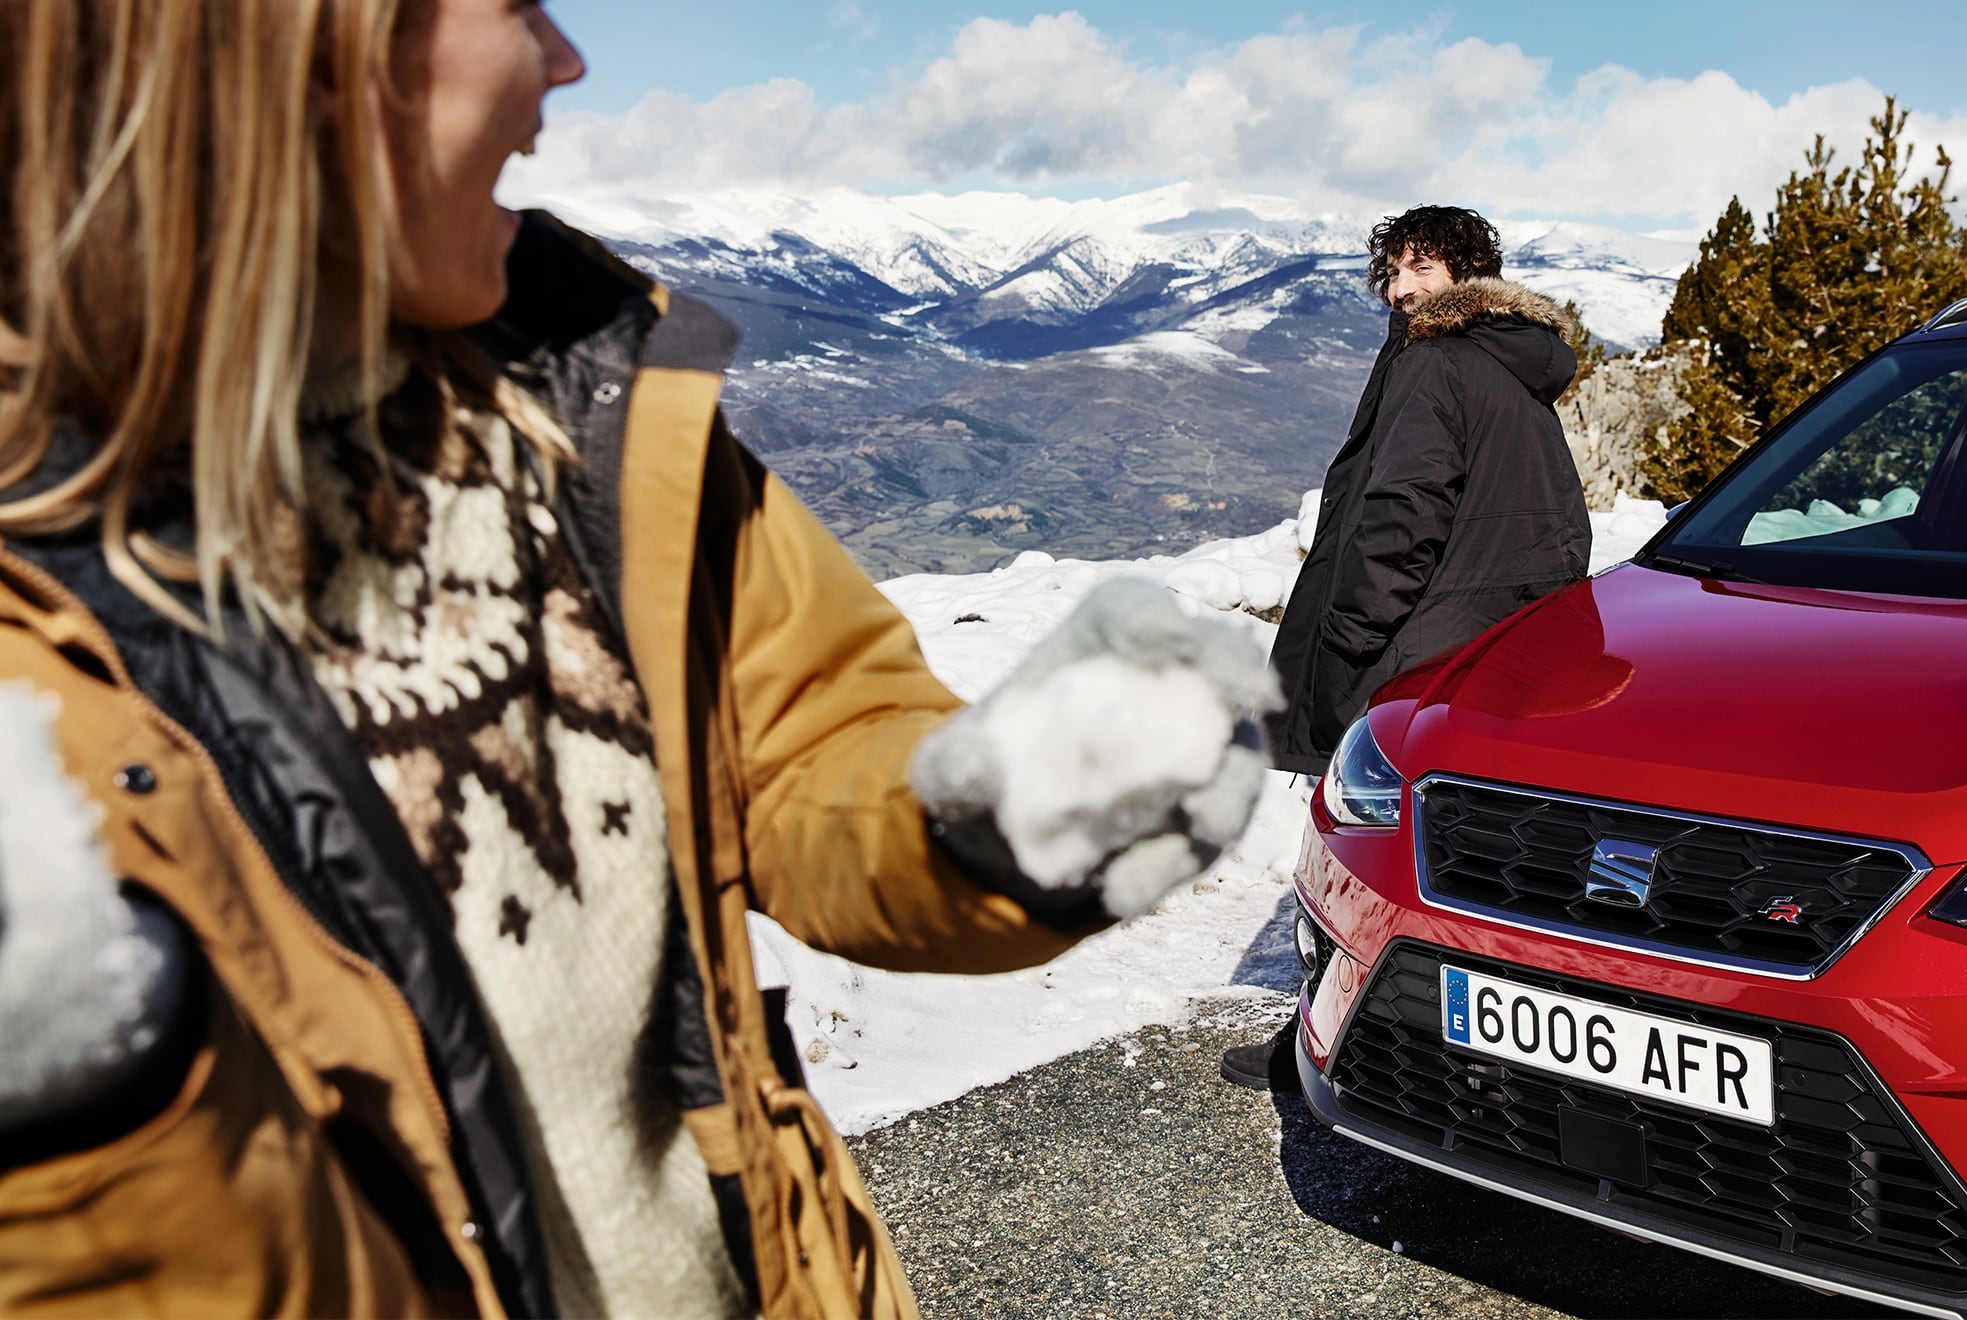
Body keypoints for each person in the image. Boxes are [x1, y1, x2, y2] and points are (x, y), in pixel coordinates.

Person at [0, 3, 1272, 1317]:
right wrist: (90, 1103)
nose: (568, 61)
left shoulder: (574, 401)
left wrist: (986, 808)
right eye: (518, 10)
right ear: (290, 53)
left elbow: (801, 743)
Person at [1227, 206, 1593, 1089]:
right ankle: (1473, 1046)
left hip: (1416, 648)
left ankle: (1335, 1035)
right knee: (1466, 860)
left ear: (1467, 272)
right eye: (1390, 274)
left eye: (1419, 270)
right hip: (1498, 647)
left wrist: (1351, 636)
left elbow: (1400, 518)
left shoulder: (1434, 361)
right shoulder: (1516, 362)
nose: (1399, 290)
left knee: (1364, 852)